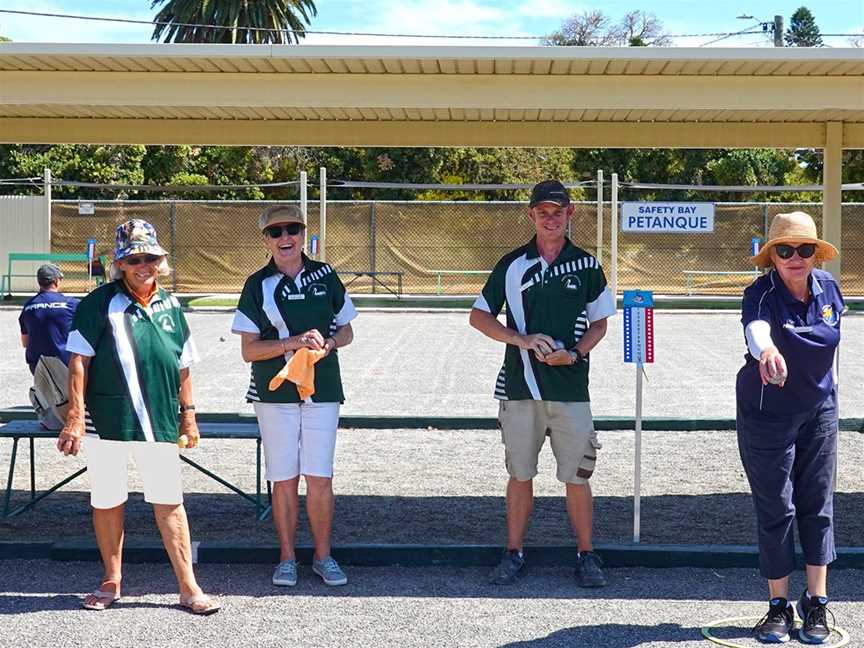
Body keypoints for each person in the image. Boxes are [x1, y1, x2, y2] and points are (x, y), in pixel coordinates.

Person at [58, 219, 219, 615]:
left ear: (160, 261)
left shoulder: (171, 304)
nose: (142, 264)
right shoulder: (98, 303)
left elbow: (183, 364)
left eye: (149, 257)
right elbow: (78, 361)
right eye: (134, 258)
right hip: (108, 417)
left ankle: (188, 587)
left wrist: (190, 415)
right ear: (120, 263)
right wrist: (75, 416)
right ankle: (111, 581)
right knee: (108, 500)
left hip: (160, 420)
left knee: (169, 501)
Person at [469, 180, 616, 587]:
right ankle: (514, 551)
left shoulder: (587, 265)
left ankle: (587, 554)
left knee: (578, 476)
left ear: (570, 214)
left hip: (570, 389)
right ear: (531, 215)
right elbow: (479, 316)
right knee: (520, 473)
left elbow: (601, 323)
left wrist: (574, 353)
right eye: (543, 212)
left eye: (558, 211)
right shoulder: (512, 264)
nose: (551, 219)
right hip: (520, 388)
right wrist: (521, 339)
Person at [231, 205, 357, 588]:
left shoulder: (326, 274)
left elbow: (347, 331)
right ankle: (286, 558)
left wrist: (330, 343)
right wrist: (293, 342)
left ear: (304, 234)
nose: (285, 238)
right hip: (274, 394)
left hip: (323, 390)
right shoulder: (256, 284)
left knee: (320, 477)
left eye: (292, 230)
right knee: (283, 478)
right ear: (265, 240)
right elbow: (249, 351)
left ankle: (323, 556)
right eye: (276, 232)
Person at [737, 211, 843, 644]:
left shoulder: (830, 290)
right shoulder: (760, 294)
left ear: (816, 254)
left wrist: (827, 392)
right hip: (768, 414)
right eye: (785, 250)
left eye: (804, 249)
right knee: (777, 508)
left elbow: (832, 346)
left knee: (817, 505)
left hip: (819, 410)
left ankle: (816, 603)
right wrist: (767, 352)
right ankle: (778, 606)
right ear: (772, 257)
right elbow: (756, 330)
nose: (795, 257)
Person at [19, 264, 79, 429]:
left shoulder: (27, 307)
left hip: (39, 370)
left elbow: (25, 343)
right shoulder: (72, 304)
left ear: (39, 282)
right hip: (68, 368)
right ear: (57, 281)